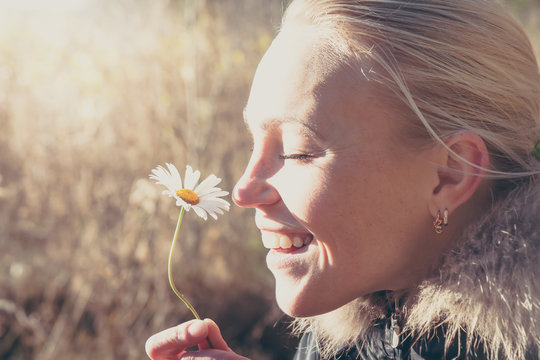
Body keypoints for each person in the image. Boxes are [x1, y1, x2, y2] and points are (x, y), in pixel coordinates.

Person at [145, 0, 540, 359]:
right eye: (253, 144)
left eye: (297, 151)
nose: (244, 190)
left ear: (450, 173)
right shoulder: (339, 340)